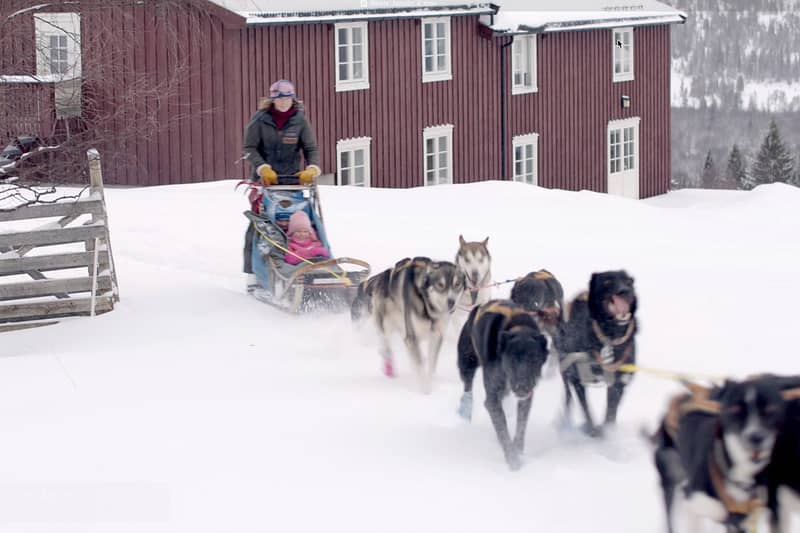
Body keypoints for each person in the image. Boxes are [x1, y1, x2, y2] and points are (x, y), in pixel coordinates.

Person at [242, 79, 321, 291]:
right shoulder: (260, 120)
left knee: (298, 222)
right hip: (264, 182)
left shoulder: (299, 121)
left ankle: (305, 261)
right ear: (273, 100)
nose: (284, 102)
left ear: (292, 99)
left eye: (287, 98)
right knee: (261, 225)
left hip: (292, 181)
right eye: (279, 99)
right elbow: (249, 148)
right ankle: (253, 272)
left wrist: (312, 168)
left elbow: (311, 148)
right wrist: (262, 167)